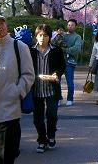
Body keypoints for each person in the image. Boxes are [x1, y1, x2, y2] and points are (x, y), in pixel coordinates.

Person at [0, 14, 35, 164]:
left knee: (4, 156)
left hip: (9, 110)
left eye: (1, 23)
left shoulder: (19, 47)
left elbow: (29, 75)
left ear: (6, 26)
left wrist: (17, 91)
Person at [29, 24, 66, 153]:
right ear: (36, 36)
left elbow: (62, 66)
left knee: (51, 115)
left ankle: (51, 136)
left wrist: (57, 74)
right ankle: (41, 140)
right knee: (37, 118)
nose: (42, 38)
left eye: (45, 35)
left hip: (51, 88)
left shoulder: (56, 50)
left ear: (49, 37)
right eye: (40, 35)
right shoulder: (30, 50)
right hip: (36, 89)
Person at [60, 19, 82, 106]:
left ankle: (70, 99)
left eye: (72, 25)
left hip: (70, 62)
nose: (70, 26)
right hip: (60, 61)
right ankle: (59, 98)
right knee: (56, 81)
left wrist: (65, 50)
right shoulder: (62, 35)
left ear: (75, 26)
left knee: (69, 81)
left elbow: (76, 49)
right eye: (69, 25)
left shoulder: (77, 37)